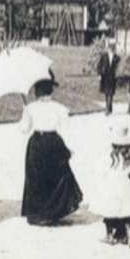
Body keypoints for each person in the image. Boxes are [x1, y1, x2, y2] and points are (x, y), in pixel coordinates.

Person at [20, 76, 83, 225]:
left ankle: (39, 213)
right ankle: (53, 212)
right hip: (54, 143)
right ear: (51, 91)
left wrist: (25, 114)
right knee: (56, 177)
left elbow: (24, 129)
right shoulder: (60, 108)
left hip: (37, 142)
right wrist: (69, 149)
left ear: (36, 92)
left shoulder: (30, 108)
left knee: (36, 178)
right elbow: (66, 130)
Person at [89, 117, 130, 248]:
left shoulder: (109, 154)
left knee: (109, 211)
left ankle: (109, 234)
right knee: (127, 211)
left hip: (111, 185)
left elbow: (100, 170)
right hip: (125, 184)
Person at [97, 40, 120, 115]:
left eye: (113, 47)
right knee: (107, 93)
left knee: (111, 93)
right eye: (111, 47)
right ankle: (109, 108)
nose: (112, 48)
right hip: (105, 76)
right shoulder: (104, 56)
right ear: (108, 47)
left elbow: (119, 67)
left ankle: (107, 109)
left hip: (113, 77)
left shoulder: (117, 57)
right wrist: (99, 74)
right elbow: (99, 65)